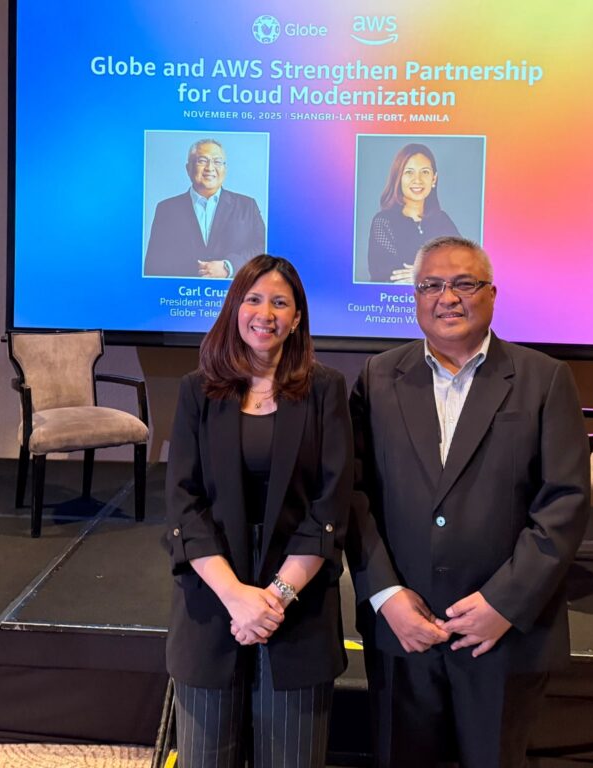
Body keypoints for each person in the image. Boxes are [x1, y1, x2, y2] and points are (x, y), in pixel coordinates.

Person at [347, 236, 590, 767]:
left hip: (500, 634)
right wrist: (386, 595)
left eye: (463, 284)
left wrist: (503, 603)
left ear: (492, 294)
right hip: (403, 630)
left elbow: (564, 503)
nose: (447, 297)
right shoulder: (377, 377)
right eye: (431, 285)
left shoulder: (544, 379)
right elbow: (356, 496)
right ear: (415, 297)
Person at [163, 255, 352, 766]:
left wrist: (274, 599)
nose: (264, 312)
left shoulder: (326, 390)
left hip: (298, 600)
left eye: (279, 302)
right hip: (211, 599)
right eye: (252, 298)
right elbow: (184, 503)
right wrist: (236, 598)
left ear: (295, 318)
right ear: (234, 307)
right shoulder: (196, 391)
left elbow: (330, 506)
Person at [144, 139, 266, 278]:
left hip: (234, 294)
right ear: (188, 168)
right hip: (183, 297)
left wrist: (229, 266)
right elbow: (153, 265)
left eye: (217, 161)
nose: (210, 168)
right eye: (202, 160)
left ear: (225, 169)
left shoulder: (247, 205)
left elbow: (263, 248)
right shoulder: (166, 209)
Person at [367, 143, 461, 283]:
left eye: (425, 172)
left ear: (433, 179)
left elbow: (465, 264)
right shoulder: (383, 222)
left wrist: (425, 273)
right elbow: (388, 275)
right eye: (409, 172)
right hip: (396, 303)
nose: (417, 180)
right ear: (398, 179)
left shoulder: (443, 220)